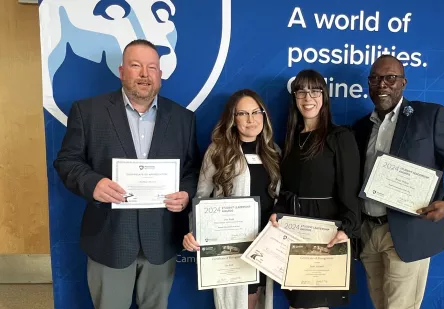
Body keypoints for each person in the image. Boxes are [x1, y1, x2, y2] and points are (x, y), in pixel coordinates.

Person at [53, 39, 200, 309]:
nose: (145, 74)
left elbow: (191, 169)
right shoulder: (88, 112)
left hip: (162, 238)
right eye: (136, 66)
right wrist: (92, 183)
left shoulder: (183, 118)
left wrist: (187, 193)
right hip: (109, 238)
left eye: (152, 67)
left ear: (160, 75)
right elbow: (67, 161)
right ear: (122, 71)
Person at [351, 54, 444, 309]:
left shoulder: (428, 116)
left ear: (403, 83)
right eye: (374, 79)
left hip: (408, 230)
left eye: (390, 78)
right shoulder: (361, 127)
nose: (382, 84)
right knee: (380, 304)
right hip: (369, 231)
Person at [270, 69, 362, 309]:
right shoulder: (290, 139)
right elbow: (287, 187)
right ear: (294, 98)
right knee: (297, 304)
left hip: (327, 231)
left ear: (325, 96)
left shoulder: (340, 137)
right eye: (301, 91)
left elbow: (350, 189)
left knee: (316, 303)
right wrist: (278, 212)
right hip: (294, 229)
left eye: (315, 91)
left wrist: (348, 228)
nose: (308, 98)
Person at [183, 89, 281, 309]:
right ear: (232, 119)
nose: (251, 119)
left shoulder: (274, 152)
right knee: (237, 303)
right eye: (242, 113)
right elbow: (201, 197)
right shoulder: (218, 152)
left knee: (257, 299)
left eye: (256, 112)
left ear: (264, 115)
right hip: (231, 246)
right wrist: (193, 232)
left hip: (264, 244)